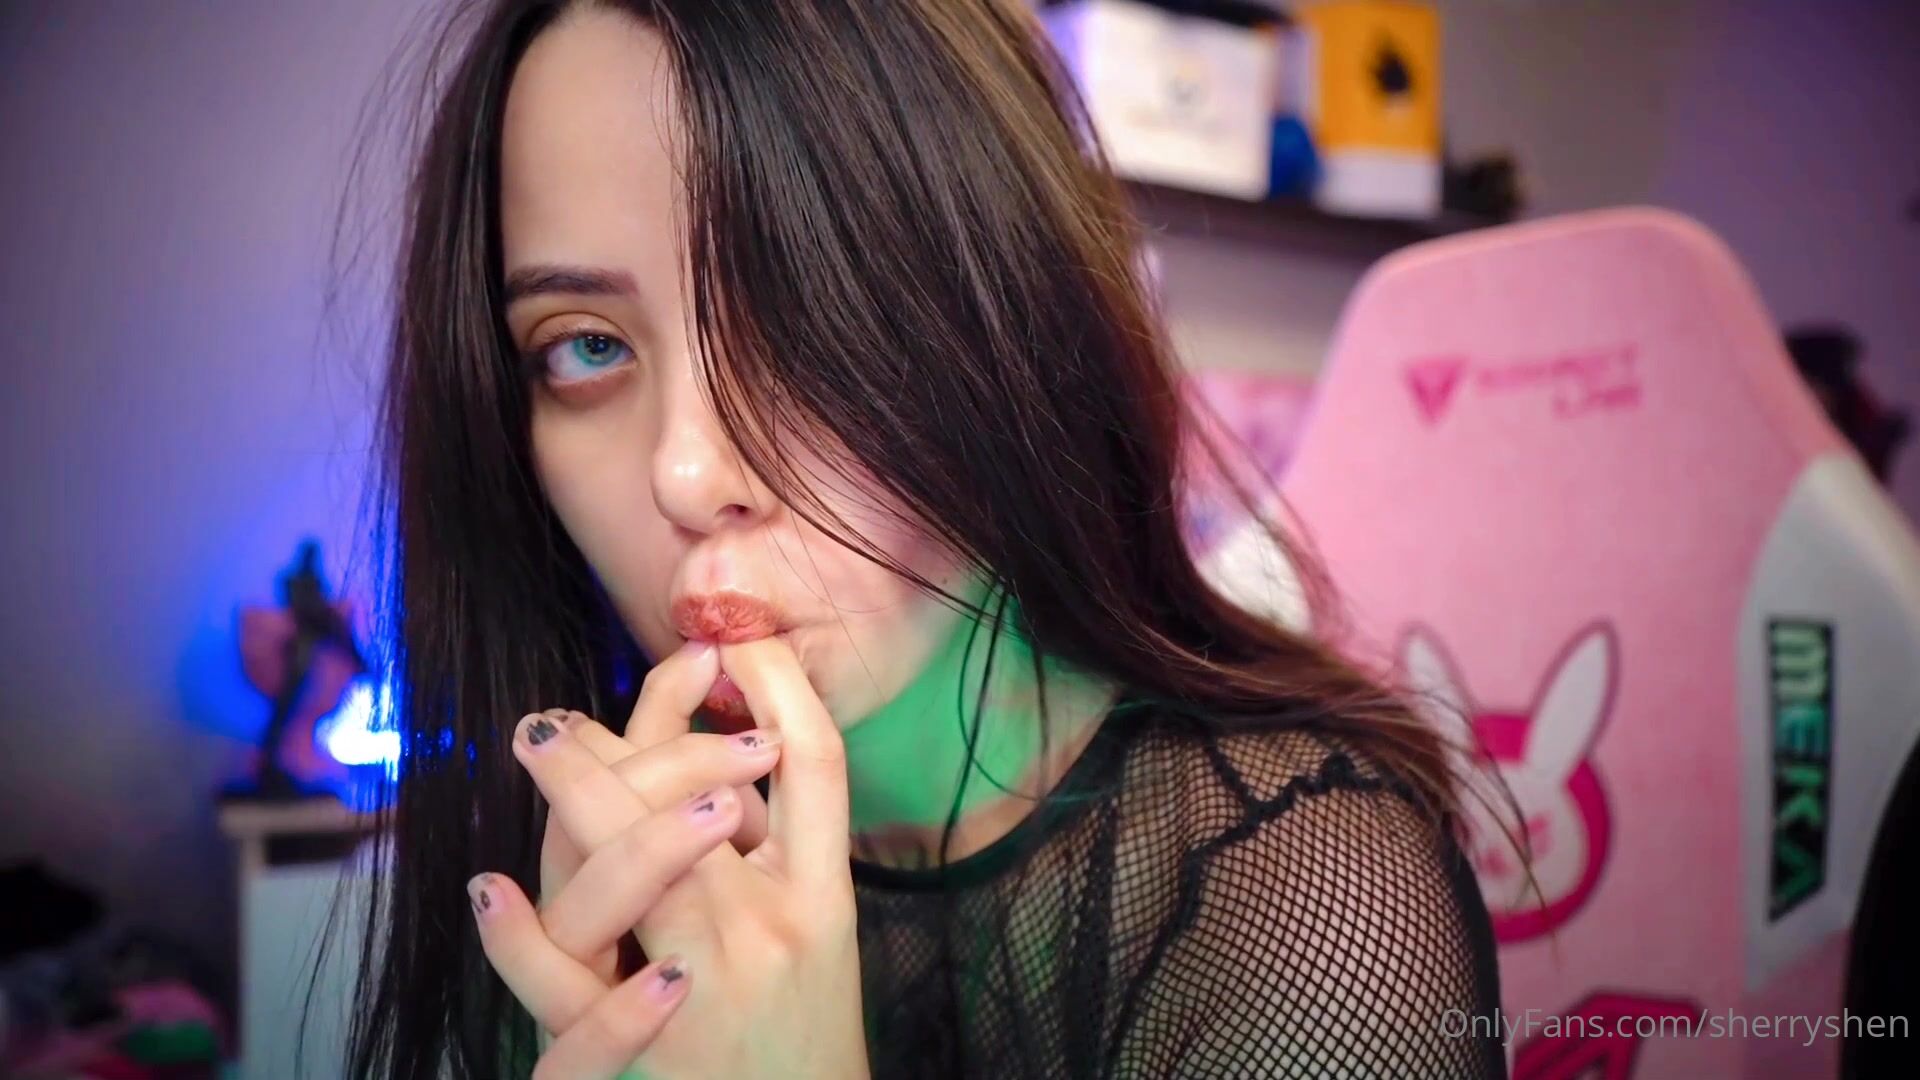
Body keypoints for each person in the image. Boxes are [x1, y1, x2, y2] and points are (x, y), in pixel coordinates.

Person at [335, 1, 1507, 1077]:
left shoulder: (1302, 888)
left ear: (1004, 321)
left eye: (792, 315)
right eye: (586, 346)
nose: (687, 473)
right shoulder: (572, 872)